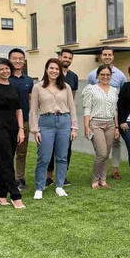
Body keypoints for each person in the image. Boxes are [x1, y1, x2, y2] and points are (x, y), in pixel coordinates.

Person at [30, 58, 78, 199]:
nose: (54, 71)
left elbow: (72, 107)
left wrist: (74, 127)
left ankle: (60, 186)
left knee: (62, 157)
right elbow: (33, 110)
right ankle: (39, 188)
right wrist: (35, 129)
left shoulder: (66, 87)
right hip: (46, 122)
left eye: (57, 69)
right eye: (51, 68)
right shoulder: (38, 87)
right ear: (46, 69)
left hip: (64, 122)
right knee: (44, 157)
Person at [87, 46, 126, 180]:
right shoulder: (92, 75)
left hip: (113, 115)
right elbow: (89, 99)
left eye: (110, 54)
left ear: (113, 56)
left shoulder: (121, 75)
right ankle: (97, 175)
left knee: (116, 143)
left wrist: (118, 122)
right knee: (102, 150)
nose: (107, 57)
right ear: (101, 55)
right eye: (105, 54)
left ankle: (115, 169)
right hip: (97, 117)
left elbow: (122, 96)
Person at [0, 58, 26, 209]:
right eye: (1, 69)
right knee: (7, 161)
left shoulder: (12, 87)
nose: (5, 71)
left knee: (5, 161)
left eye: (7, 68)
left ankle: (1, 195)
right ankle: (15, 196)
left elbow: (18, 110)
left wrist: (21, 130)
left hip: (12, 128)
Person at [82, 64, 119, 189]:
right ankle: (95, 180)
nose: (105, 77)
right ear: (97, 75)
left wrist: (117, 127)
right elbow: (87, 108)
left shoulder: (114, 90)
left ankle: (103, 180)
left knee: (107, 153)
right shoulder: (91, 89)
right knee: (101, 153)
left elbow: (115, 110)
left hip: (110, 124)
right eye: (102, 74)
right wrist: (86, 127)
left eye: (108, 74)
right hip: (96, 124)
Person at [46, 48, 79, 187]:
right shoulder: (51, 74)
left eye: (69, 58)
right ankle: (49, 177)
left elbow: (72, 97)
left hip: (65, 117)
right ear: (59, 57)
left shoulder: (73, 77)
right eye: (65, 57)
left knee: (66, 149)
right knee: (50, 148)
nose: (67, 60)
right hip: (50, 117)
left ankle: (62, 175)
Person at [8, 48, 34, 191]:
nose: (18, 61)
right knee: (7, 152)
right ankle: (7, 178)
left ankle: (19, 179)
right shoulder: (3, 78)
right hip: (7, 122)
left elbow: (30, 100)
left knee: (21, 152)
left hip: (24, 121)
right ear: (9, 60)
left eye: (20, 59)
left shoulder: (29, 81)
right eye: (15, 58)